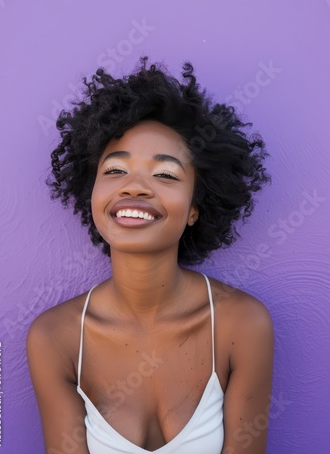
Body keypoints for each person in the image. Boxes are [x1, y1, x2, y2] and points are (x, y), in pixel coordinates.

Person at [27, 57, 274, 454]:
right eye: (114, 171)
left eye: (165, 175)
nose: (135, 187)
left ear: (195, 208)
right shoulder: (54, 337)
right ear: (92, 193)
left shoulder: (242, 325)